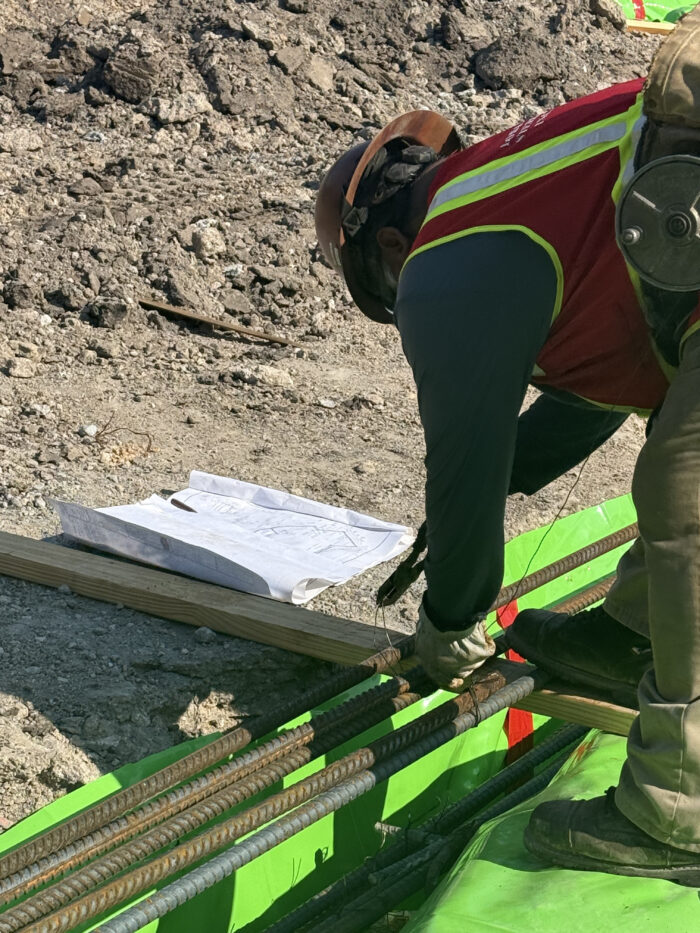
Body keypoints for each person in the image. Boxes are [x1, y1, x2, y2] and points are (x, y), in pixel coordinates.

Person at [314, 8, 700, 883]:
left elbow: (463, 451)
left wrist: (455, 615)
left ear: (387, 247)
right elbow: (608, 379)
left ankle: (678, 810)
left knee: (687, 497)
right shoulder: (529, 184)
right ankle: (640, 637)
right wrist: (503, 482)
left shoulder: (445, 257)